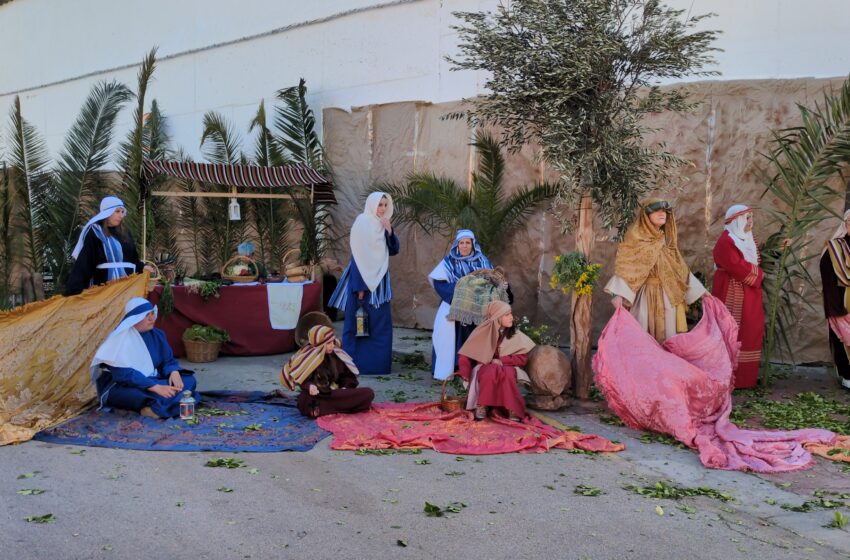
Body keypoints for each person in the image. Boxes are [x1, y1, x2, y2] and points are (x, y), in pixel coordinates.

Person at [605, 198, 706, 343]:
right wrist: (620, 294)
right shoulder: (635, 239)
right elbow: (626, 267)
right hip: (645, 298)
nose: (662, 213)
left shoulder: (666, 241)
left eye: (664, 211)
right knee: (642, 337)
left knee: (668, 337)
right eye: (657, 210)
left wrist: (701, 291)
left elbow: (680, 269)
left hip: (668, 296)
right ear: (646, 215)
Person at [90, 297, 199, 418]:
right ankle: (163, 406)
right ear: (134, 319)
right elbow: (124, 375)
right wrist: (155, 387)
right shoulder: (118, 341)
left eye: (153, 313)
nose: (152, 318)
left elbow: (168, 360)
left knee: (189, 380)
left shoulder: (157, 335)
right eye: (147, 315)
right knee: (147, 394)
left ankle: (158, 407)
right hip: (123, 386)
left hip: (153, 379)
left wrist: (174, 371)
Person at [328, 192, 400, 374]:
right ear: (372, 205)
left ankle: (378, 366)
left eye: (385, 205)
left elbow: (394, 250)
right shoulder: (362, 222)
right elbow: (359, 256)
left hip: (380, 284)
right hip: (360, 282)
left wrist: (389, 231)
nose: (382, 209)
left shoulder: (383, 224)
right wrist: (360, 288)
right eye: (379, 205)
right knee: (357, 325)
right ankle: (353, 365)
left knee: (380, 326)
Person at [428, 229, 493, 380]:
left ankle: (470, 371)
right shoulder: (448, 262)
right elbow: (439, 283)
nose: (464, 246)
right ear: (457, 245)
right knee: (446, 333)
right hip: (453, 306)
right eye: (461, 243)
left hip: (476, 308)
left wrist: (474, 296)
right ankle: (452, 368)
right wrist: (460, 295)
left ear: (473, 244)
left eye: (467, 243)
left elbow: (491, 282)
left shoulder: (483, 262)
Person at [711, 205, 764, 388]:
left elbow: (750, 261)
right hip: (732, 291)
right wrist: (759, 275)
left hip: (748, 291)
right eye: (746, 218)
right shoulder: (726, 241)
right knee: (733, 330)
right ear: (735, 221)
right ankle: (730, 377)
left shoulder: (747, 239)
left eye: (751, 218)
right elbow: (736, 266)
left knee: (750, 329)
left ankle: (745, 377)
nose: (750, 222)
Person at [456, 301, 535, 421]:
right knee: (489, 372)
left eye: (511, 314)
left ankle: (512, 407)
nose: (511, 318)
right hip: (485, 365)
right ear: (497, 317)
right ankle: (482, 405)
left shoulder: (515, 334)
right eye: (507, 315)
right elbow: (466, 354)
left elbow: (522, 358)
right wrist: (465, 373)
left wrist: (502, 361)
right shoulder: (482, 332)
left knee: (508, 373)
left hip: (508, 366)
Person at [65, 196, 154, 296]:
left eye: (122, 212)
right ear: (107, 212)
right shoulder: (96, 232)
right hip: (104, 288)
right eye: (117, 211)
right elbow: (85, 262)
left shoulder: (125, 233)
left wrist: (142, 267)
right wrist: (74, 290)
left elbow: (132, 259)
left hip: (127, 288)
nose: (121, 215)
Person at [281, 324, 375, 418]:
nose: (332, 346)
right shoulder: (308, 358)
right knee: (306, 400)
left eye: (333, 342)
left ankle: (326, 408)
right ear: (320, 344)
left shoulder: (335, 355)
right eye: (329, 343)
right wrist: (310, 387)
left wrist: (345, 388)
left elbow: (347, 377)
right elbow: (301, 380)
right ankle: (336, 407)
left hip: (334, 394)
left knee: (368, 393)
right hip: (317, 395)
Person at [820, 209, 850, 390]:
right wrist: (835, 307)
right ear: (845, 224)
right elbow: (828, 277)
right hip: (842, 302)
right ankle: (847, 375)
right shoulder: (834, 249)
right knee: (844, 341)